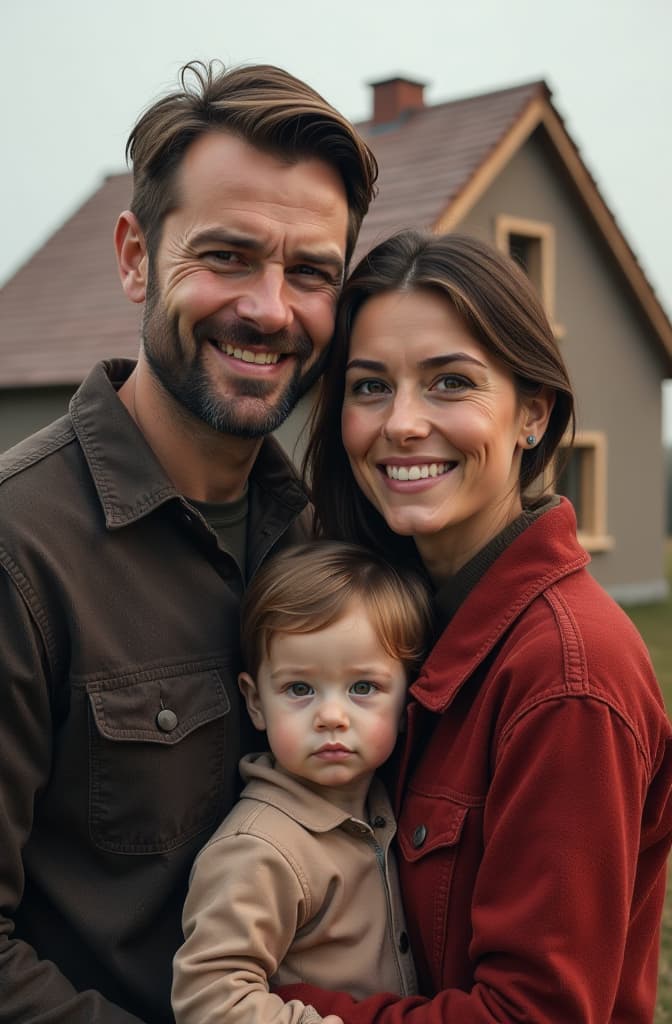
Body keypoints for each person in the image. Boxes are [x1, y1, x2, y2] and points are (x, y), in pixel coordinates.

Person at [0, 61, 377, 1023]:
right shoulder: (19, 551)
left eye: (311, 274)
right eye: (228, 256)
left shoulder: (323, 540)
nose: (269, 308)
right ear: (135, 255)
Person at [278, 230, 672, 1022]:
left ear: (532, 413)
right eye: (369, 387)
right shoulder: (389, 620)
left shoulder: (567, 678)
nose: (403, 424)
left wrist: (265, 1007)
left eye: (450, 383)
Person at [171, 541, 433, 1024]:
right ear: (255, 702)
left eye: (363, 688)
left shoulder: (387, 803)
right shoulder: (259, 848)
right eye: (300, 689)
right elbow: (211, 998)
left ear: (407, 697)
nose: (331, 716)